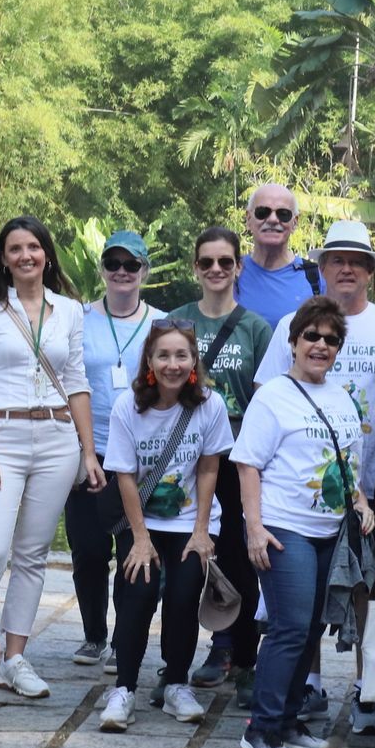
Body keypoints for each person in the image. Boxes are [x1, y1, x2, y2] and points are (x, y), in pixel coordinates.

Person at [252, 219, 375, 723]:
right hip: (299, 491)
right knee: (304, 601)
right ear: (321, 268)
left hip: (373, 479)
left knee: (366, 587)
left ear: (369, 271)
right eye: (336, 259)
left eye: (356, 261)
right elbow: (266, 402)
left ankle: (366, 688)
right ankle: (309, 686)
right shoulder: (289, 327)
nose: (346, 268)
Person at [0, 216, 103, 701]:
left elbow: (78, 382)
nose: (25, 255)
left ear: (47, 254)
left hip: (58, 436)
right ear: (3, 257)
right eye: (15, 248)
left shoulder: (69, 310)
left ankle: (14, 657)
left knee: (33, 554)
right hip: (1, 434)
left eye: (34, 247)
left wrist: (88, 451)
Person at [232, 298, 374, 748]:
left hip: (329, 531)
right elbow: (248, 464)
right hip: (283, 526)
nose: (320, 345)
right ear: (293, 342)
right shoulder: (273, 394)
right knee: (289, 627)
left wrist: (360, 501)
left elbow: (345, 459)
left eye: (331, 339)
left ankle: (290, 720)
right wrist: (253, 528)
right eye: (311, 336)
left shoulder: (339, 396)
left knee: (311, 628)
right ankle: (263, 727)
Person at [99, 321, 233, 731]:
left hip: (190, 520)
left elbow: (210, 468)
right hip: (142, 519)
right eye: (163, 356)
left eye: (181, 355)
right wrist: (139, 539)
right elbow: (123, 474)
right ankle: (124, 688)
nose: (172, 364)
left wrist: (201, 529)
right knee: (137, 594)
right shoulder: (128, 407)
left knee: (183, 595)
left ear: (194, 361)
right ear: (149, 362)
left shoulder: (209, 405)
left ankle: (176, 683)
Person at [170, 226, 273, 705]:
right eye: (206, 262)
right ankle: (182, 660)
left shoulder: (255, 328)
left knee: (238, 558)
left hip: (237, 458)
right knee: (190, 557)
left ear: (237, 268)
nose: (215, 270)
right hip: (186, 456)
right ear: (196, 268)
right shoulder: (176, 322)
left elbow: (267, 399)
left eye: (225, 262)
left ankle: (239, 653)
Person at [64, 231, 165, 669]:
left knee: (132, 549)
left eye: (131, 264)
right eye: (113, 263)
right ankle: (93, 633)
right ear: (103, 269)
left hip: (141, 455)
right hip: (90, 448)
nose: (122, 272)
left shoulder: (161, 323)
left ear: (144, 270)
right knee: (87, 549)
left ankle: (125, 640)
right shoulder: (80, 319)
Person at [236, 182, 321, 326]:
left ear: (295, 222)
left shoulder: (316, 279)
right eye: (263, 212)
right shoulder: (228, 271)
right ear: (248, 219)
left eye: (283, 214)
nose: (273, 220)